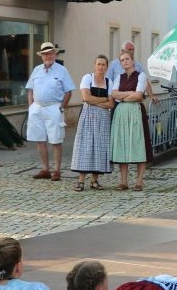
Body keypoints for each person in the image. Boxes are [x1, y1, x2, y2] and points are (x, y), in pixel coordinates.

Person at [25, 43, 75, 181]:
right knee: (39, 139)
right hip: (37, 107)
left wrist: (62, 107)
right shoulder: (36, 70)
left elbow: (68, 91)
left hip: (53, 107)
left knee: (56, 139)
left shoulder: (62, 70)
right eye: (45, 54)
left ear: (55, 54)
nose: (48, 56)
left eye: (50, 53)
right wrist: (31, 106)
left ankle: (57, 170)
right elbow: (30, 89)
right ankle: (45, 169)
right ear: (41, 56)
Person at [71, 55, 115, 191]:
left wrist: (94, 101)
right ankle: (81, 181)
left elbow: (111, 103)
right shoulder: (87, 78)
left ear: (107, 67)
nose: (101, 67)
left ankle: (95, 181)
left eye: (103, 65)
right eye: (98, 64)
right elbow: (86, 98)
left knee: (100, 147)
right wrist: (103, 100)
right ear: (94, 65)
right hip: (88, 116)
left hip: (103, 118)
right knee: (86, 145)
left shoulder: (109, 82)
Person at [110, 52, 149, 191]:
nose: (124, 61)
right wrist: (129, 93)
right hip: (121, 113)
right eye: (122, 60)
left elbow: (139, 95)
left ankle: (139, 182)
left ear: (133, 61)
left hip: (135, 112)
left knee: (138, 144)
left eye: (127, 59)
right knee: (122, 144)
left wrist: (123, 97)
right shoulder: (118, 77)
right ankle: (124, 181)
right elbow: (114, 94)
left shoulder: (141, 75)